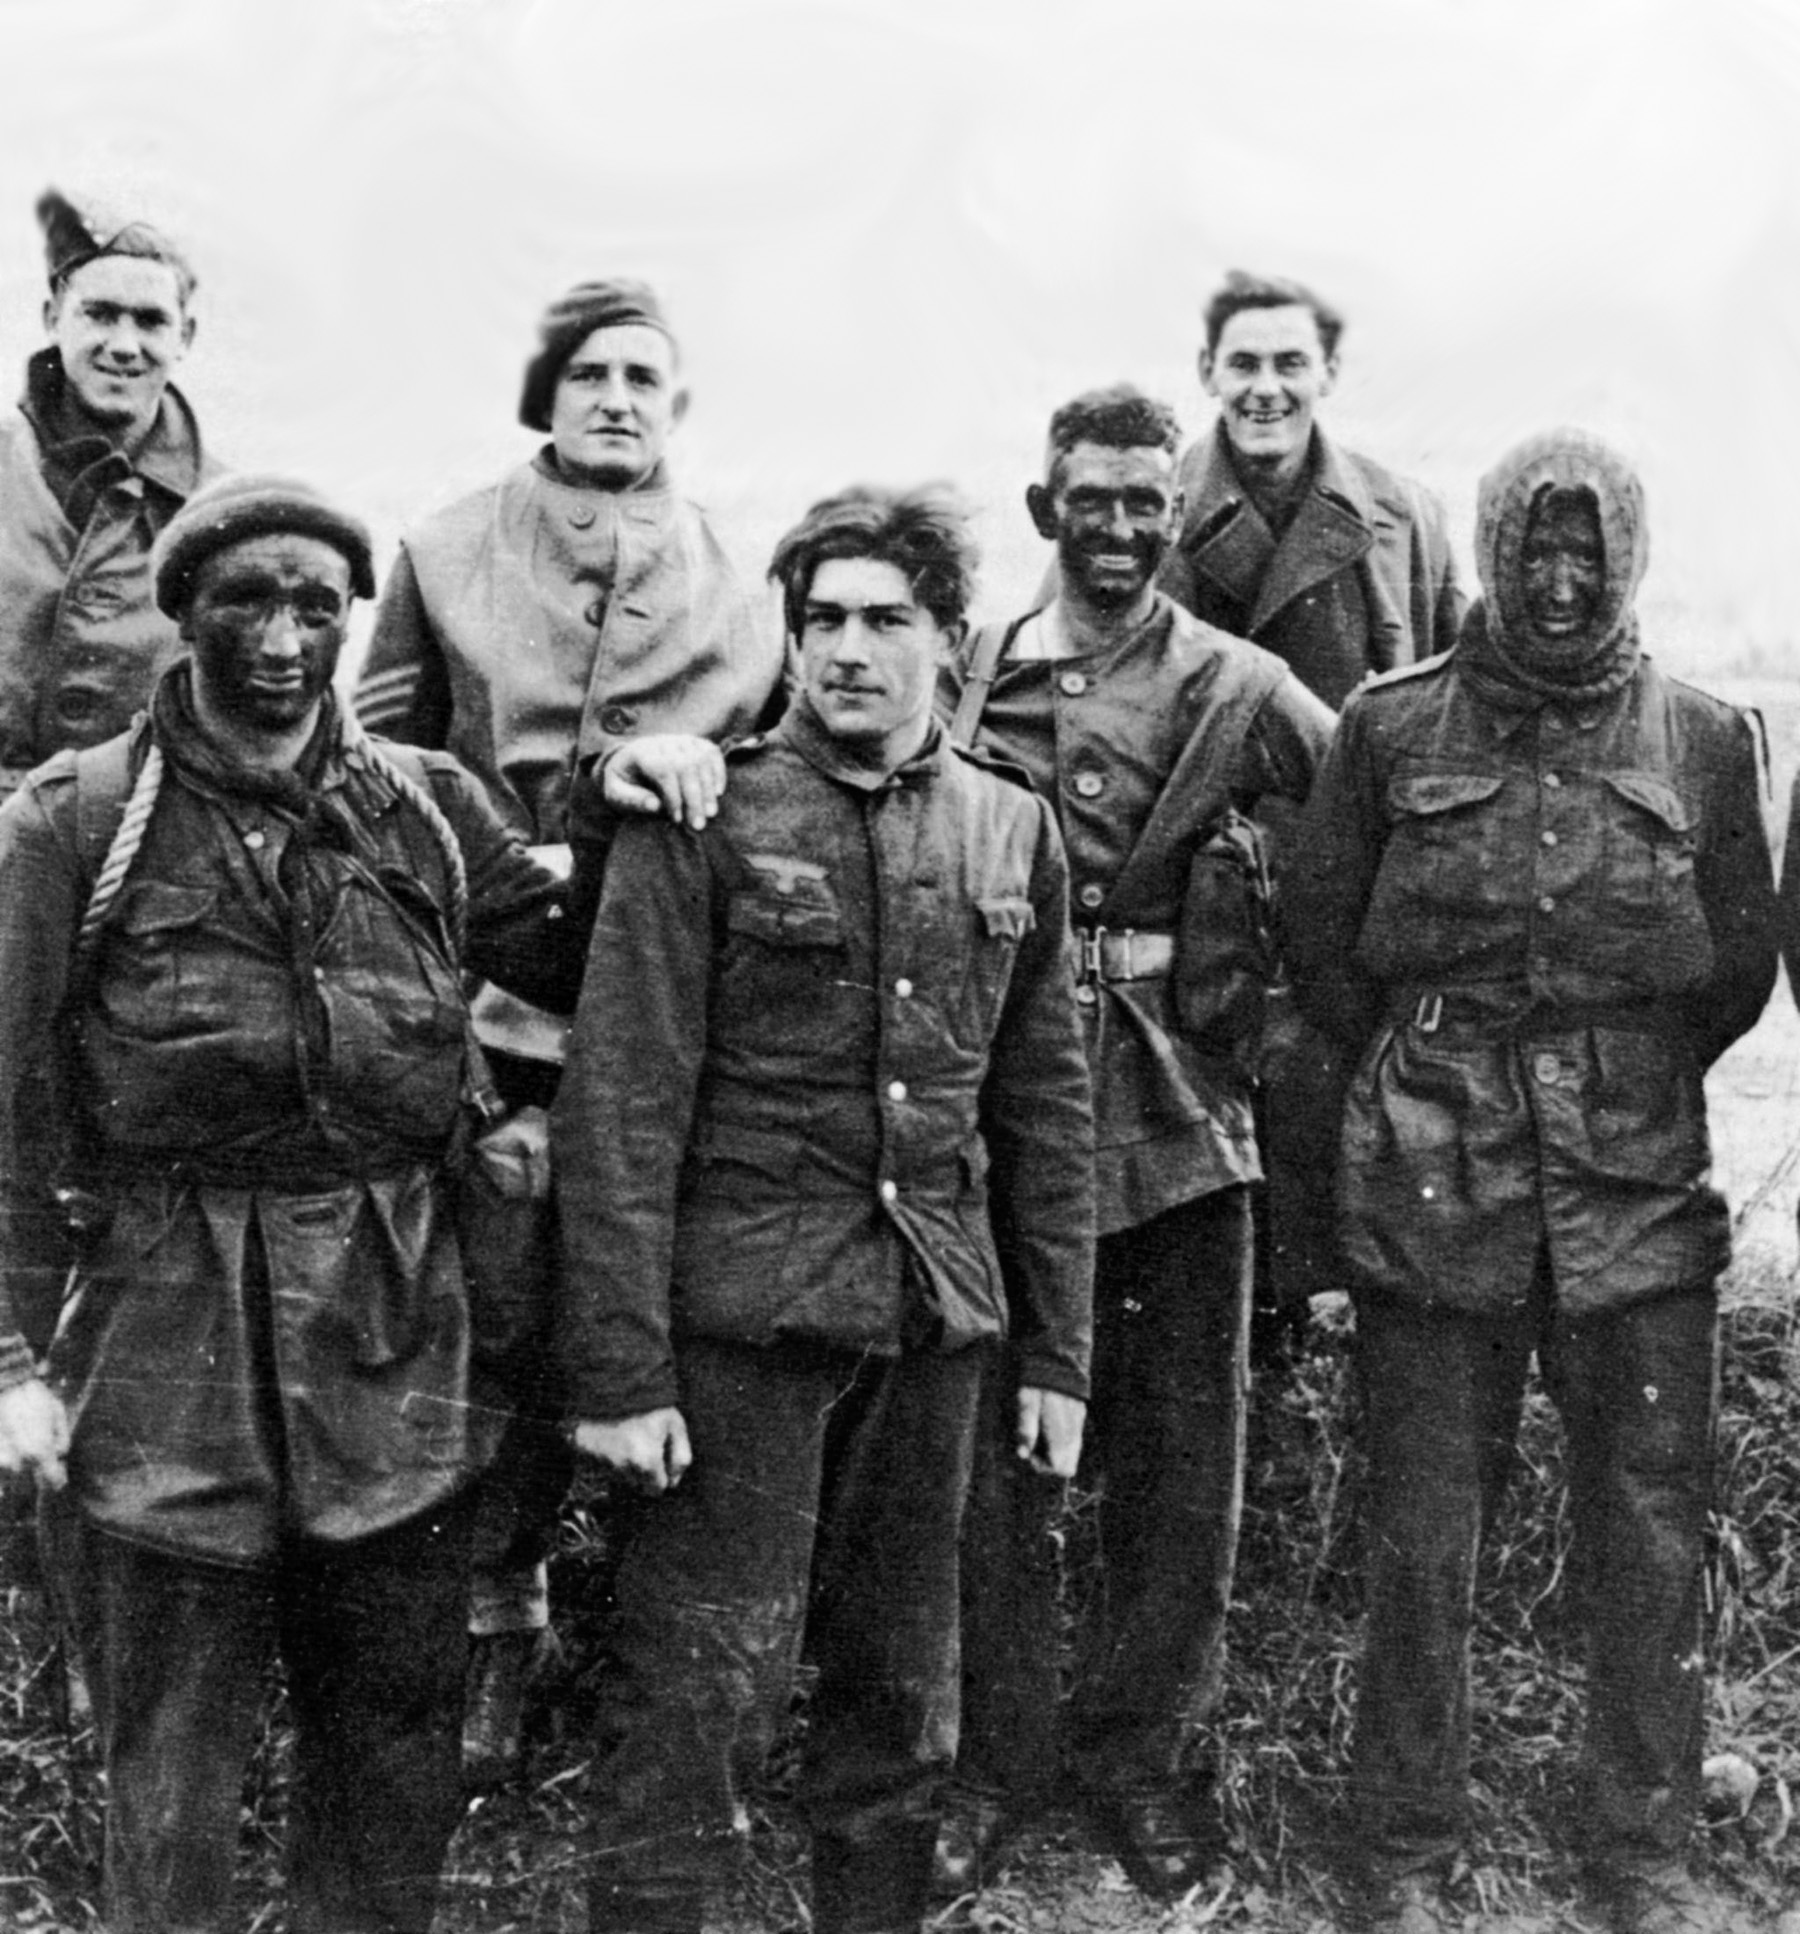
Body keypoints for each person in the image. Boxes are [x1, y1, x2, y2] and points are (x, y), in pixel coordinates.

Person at [0, 474, 583, 1934]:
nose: (282, 635)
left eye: (318, 605)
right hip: (163, 1334)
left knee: (392, 1733)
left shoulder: (433, 812)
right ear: (183, 610)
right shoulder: (74, 822)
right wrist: (11, 1362)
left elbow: (599, 967)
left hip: (393, 1325)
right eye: (247, 598)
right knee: (174, 1756)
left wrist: (656, 789)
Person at [553, 487, 1096, 1934]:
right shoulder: (707, 814)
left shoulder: (1011, 829)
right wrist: (619, 1372)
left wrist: (1058, 1355)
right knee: (696, 1705)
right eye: (820, 621)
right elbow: (621, 1105)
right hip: (745, 1334)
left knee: (901, 1706)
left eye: (884, 619)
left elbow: (1045, 1112)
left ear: (953, 640)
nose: (847, 650)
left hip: (932, 1328)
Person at [1284, 428, 1776, 1934]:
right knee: (1427, 1531)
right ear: (1492, 557)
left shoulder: (1701, 736)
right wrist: (1450, 1081)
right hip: (1441, 1186)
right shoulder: (1390, 730)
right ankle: (1404, 1849)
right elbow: (1325, 946)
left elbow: (1737, 972)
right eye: (1532, 552)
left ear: (1628, 559)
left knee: (1651, 1523)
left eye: (1590, 554)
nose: (1559, 585)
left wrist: (1610, 1071)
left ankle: (1642, 1847)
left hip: (1637, 1200)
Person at [355, 276, 779, 1784]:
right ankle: (478, 1627)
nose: (615, 396)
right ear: (547, 391)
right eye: (588, 372)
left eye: (644, 376)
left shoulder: (748, 579)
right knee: (490, 1310)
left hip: (668, 1009)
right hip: (485, 1009)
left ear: (677, 403)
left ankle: (647, 1660)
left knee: (655, 1300)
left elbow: (774, 785)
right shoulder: (444, 550)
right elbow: (376, 780)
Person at [937, 386, 1335, 1896]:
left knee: (1182, 1459)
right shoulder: (965, 677)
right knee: (992, 1454)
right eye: (1089, 500)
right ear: (1044, 509)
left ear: (1177, 518)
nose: (1116, 529)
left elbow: (1359, 817)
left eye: (1144, 504)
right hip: (1002, 1118)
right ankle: (989, 1761)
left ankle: (1144, 1764)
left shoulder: (1240, 686)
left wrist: (1279, 1010)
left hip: (1180, 1117)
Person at [1160, 269, 1466, 1352]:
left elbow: (1455, 692)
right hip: (1202, 886)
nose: (1266, 388)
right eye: (1243, 363)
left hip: (1361, 881)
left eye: (1290, 363)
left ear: (1327, 374)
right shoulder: (1152, 510)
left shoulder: (1402, 517)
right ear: (1207, 373)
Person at [0, 187, 222, 803]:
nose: (124, 345)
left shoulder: (224, 512)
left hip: (142, 840)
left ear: (186, 336)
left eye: (151, 321)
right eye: (99, 314)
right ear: (52, 318)